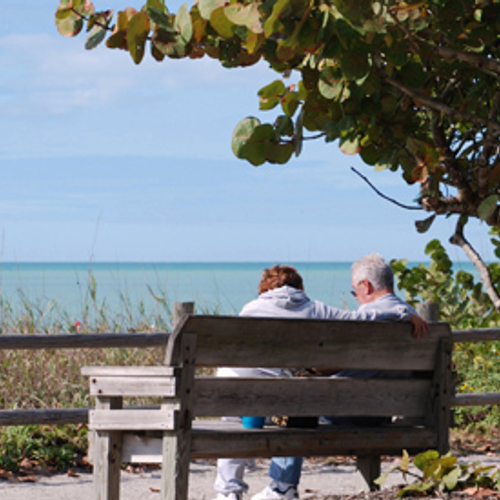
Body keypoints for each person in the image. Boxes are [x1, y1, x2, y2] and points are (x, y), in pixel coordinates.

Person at [213, 261, 426, 500]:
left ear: (265, 289)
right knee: (297, 401)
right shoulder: (317, 310)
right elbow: (365, 319)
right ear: (300, 288)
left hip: (234, 393)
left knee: (245, 413)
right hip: (368, 408)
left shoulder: (250, 309)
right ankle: (283, 486)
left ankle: (229, 491)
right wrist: (404, 312)